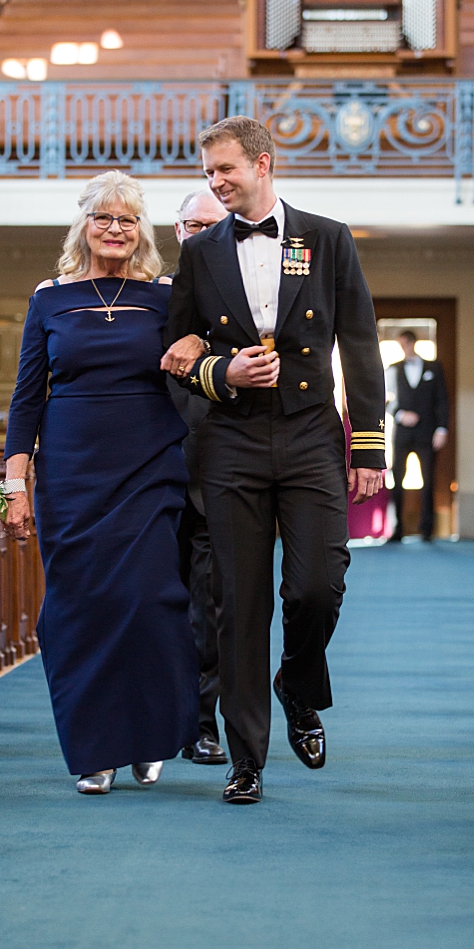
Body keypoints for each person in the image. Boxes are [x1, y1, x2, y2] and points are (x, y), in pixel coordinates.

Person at [159, 116, 386, 805]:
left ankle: (298, 680)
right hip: (231, 441)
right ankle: (247, 757)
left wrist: (369, 444)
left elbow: (362, 342)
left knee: (318, 584)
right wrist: (225, 372)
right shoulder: (199, 256)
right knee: (239, 602)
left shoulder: (326, 237)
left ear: (264, 162)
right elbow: (177, 355)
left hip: (312, 432)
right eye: (207, 173)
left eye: (225, 169)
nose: (216, 182)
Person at [4, 170, 199, 795]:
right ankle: (96, 750)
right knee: (80, 609)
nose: (115, 229)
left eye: (128, 219)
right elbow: (26, 398)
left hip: (148, 463)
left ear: (141, 230)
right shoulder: (50, 298)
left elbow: (201, 365)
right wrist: (15, 483)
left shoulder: (167, 297)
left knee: (148, 601)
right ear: (84, 223)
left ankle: (149, 734)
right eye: (104, 217)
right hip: (71, 472)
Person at [170, 187, 230, 766]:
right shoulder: (152, 298)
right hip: (151, 482)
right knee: (155, 605)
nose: (202, 234)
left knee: (210, 611)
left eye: (214, 225)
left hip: (220, 481)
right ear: (178, 231)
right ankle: (151, 718)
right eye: (193, 224)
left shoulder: (251, 309)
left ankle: (202, 724)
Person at [386, 329, 449, 542]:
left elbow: (442, 400)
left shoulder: (434, 367)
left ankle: (427, 529)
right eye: (400, 344)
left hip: (427, 432)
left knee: (428, 480)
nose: (404, 348)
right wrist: (400, 414)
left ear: (413, 343)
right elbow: (384, 399)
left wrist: (441, 429)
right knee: (397, 478)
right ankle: (398, 528)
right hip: (402, 433)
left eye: (406, 343)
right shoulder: (393, 369)